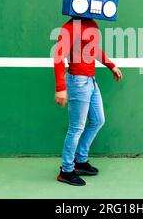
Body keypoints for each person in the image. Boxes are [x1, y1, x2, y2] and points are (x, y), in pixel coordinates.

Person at [53, 17, 123, 186]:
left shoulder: (91, 23)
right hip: (77, 81)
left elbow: (93, 49)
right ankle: (66, 170)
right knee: (76, 128)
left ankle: (80, 161)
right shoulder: (69, 27)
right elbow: (58, 56)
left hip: (90, 80)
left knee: (98, 120)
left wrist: (110, 65)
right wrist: (60, 87)